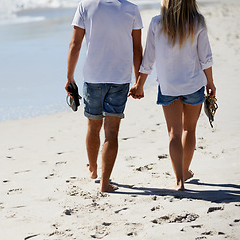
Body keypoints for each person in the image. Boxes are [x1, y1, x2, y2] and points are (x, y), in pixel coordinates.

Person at [128, 0, 216, 191]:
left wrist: (139, 85)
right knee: (189, 130)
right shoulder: (197, 21)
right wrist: (210, 82)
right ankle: (185, 170)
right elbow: (205, 57)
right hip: (194, 84)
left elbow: (148, 60)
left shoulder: (157, 23)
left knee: (173, 133)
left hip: (168, 87)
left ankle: (179, 181)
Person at [65, 0, 143, 192]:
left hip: (93, 78)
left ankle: (92, 170)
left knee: (93, 126)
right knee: (112, 132)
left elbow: (75, 44)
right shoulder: (131, 9)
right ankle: (105, 183)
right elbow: (136, 49)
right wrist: (138, 82)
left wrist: (69, 77)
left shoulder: (85, 6)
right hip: (120, 79)